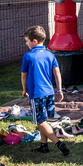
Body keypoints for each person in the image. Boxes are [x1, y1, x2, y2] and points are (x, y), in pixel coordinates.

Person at [21, 26, 70, 156]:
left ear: (34, 41)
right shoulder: (50, 54)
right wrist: (59, 90)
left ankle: (58, 143)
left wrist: (24, 89)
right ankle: (43, 146)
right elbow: (57, 73)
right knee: (44, 119)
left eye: (27, 41)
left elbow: (24, 75)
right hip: (49, 92)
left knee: (40, 121)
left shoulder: (27, 56)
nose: (26, 44)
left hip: (36, 93)